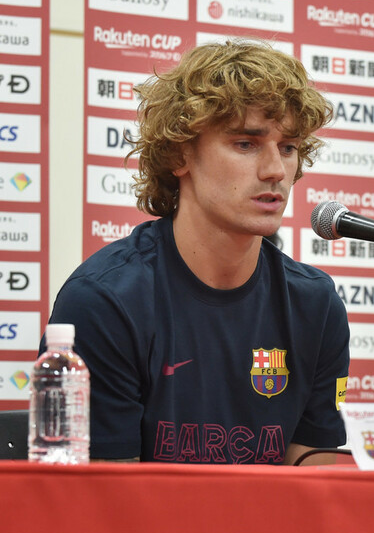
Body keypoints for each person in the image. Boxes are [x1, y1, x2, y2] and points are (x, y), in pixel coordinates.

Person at [42, 40, 350, 464]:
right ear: (180, 154)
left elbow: (313, 475)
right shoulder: (105, 301)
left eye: (288, 147)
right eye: (246, 144)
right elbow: (106, 497)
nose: (276, 170)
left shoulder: (316, 304)